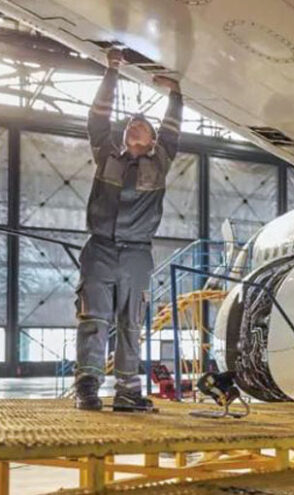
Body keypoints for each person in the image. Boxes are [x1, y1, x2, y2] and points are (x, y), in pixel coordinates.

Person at [74, 48, 182, 411]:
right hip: (100, 249)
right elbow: (97, 118)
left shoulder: (160, 163)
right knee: (94, 318)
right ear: (124, 137)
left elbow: (173, 129)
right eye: (132, 123)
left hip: (136, 254)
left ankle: (127, 391)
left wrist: (175, 94)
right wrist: (112, 71)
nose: (136, 124)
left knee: (131, 323)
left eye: (144, 126)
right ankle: (87, 387)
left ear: (152, 141)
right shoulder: (106, 155)